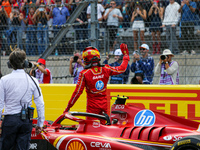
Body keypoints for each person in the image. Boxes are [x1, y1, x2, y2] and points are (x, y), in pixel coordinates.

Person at [63, 43, 130, 123]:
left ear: (86, 59)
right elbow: (122, 69)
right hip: (104, 105)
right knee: (105, 128)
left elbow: (77, 93)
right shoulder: (106, 68)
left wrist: (68, 107)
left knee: (90, 129)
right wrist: (125, 56)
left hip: (92, 107)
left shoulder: (84, 73)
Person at [0, 49, 45, 149]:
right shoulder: (33, 80)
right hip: (26, 121)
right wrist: (40, 123)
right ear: (25, 63)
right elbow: (40, 103)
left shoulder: (4, 80)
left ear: (10, 64)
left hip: (9, 120)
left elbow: (0, 103)